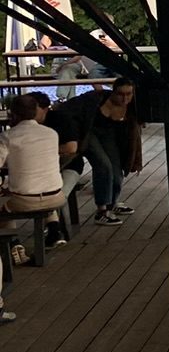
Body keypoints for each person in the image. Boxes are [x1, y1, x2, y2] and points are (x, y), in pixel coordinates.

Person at [48, 80, 143, 225]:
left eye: (128, 94)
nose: (124, 99)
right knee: (103, 165)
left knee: (117, 170)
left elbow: (134, 130)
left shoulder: (134, 107)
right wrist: (72, 133)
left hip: (109, 135)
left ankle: (112, 202)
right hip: (89, 133)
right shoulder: (94, 98)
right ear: (113, 92)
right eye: (120, 94)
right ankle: (102, 210)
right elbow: (66, 108)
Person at [1, 94, 74, 238]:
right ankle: (54, 229)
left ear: (13, 114)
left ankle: (13, 244)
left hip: (24, 201)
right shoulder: (51, 134)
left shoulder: (8, 136)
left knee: (5, 202)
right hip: (56, 196)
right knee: (41, 187)